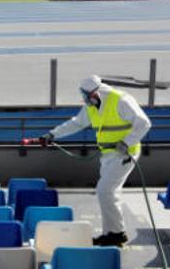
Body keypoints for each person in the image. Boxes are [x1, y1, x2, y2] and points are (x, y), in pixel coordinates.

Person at [38, 75, 151, 247]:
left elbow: (144, 123)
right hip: (107, 155)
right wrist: (53, 134)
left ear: (95, 93)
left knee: (104, 190)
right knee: (110, 193)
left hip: (125, 154)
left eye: (85, 96)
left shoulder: (121, 100)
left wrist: (126, 142)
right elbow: (76, 123)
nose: (84, 99)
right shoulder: (92, 106)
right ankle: (112, 233)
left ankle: (116, 234)